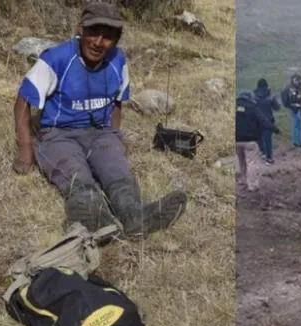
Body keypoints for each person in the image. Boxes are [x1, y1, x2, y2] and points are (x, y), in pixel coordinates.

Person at [11, 2, 187, 238]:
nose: (98, 42)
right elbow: (24, 100)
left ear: (116, 39)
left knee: (115, 169)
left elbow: (117, 101)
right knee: (76, 175)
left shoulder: (118, 60)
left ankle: (135, 216)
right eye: (93, 32)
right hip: (58, 135)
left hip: (100, 133)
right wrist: (25, 148)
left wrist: (115, 135)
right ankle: (95, 222)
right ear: (80, 29)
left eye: (108, 37)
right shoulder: (56, 59)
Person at [236, 90, 273, 192]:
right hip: (250, 140)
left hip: (236, 140)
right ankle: (252, 185)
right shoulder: (252, 107)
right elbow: (264, 121)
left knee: (241, 161)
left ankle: (243, 181)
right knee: (251, 162)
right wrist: (273, 128)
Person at [253, 78, 281, 165]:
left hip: (257, 121)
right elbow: (277, 108)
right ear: (266, 86)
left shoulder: (253, 96)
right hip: (268, 121)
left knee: (259, 138)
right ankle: (269, 158)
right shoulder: (270, 97)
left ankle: (263, 152)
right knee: (268, 140)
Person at [281, 73, 301, 148]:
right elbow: (293, 99)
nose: (299, 81)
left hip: (297, 108)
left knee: (297, 125)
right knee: (298, 125)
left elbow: (299, 97)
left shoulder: (298, 87)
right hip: (295, 108)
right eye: (298, 80)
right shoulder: (291, 88)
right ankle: (298, 142)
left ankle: (296, 141)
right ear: (294, 79)